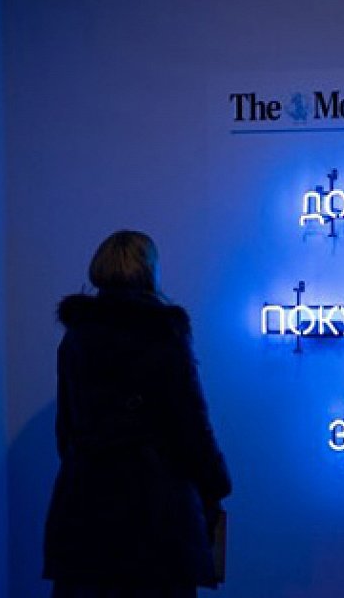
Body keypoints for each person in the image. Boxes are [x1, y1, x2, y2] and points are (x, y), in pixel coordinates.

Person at [43, 230, 231, 598]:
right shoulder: (164, 334)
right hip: (155, 509)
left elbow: (66, 428)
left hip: (85, 508)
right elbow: (192, 424)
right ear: (150, 271)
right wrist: (217, 484)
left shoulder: (76, 337)